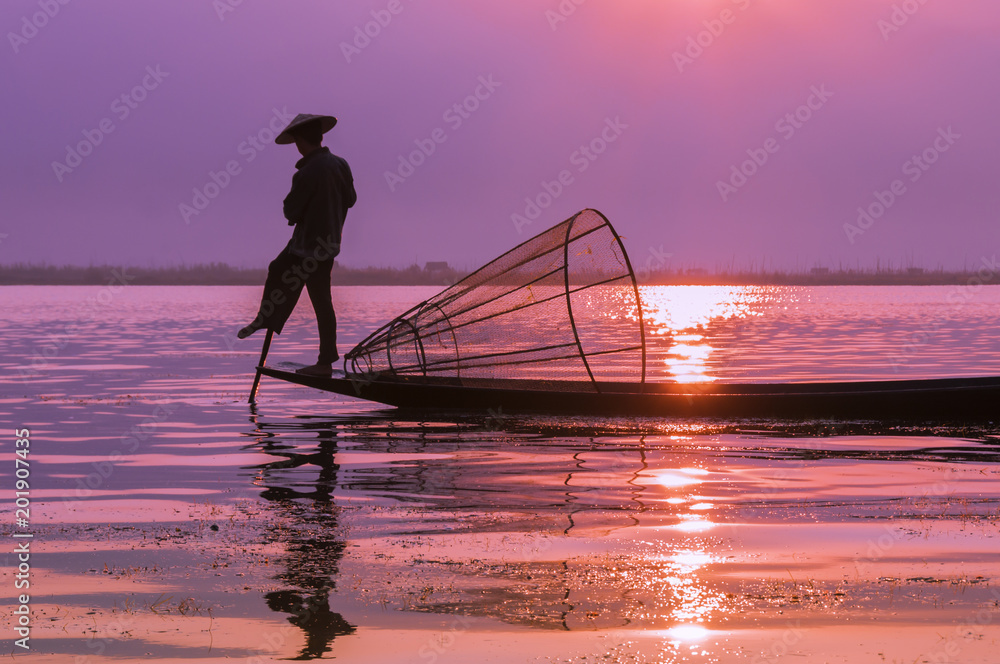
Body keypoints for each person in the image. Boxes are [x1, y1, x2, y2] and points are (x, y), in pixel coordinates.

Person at [238, 113, 357, 377]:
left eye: (296, 141)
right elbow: (351, 199)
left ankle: (269, 320)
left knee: (279, 270)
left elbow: (291, 212)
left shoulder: (307, 171)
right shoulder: (341, 165)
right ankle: (319, 354)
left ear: (301, 141)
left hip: (305, 247)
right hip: (328, 247)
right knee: (320, 300)